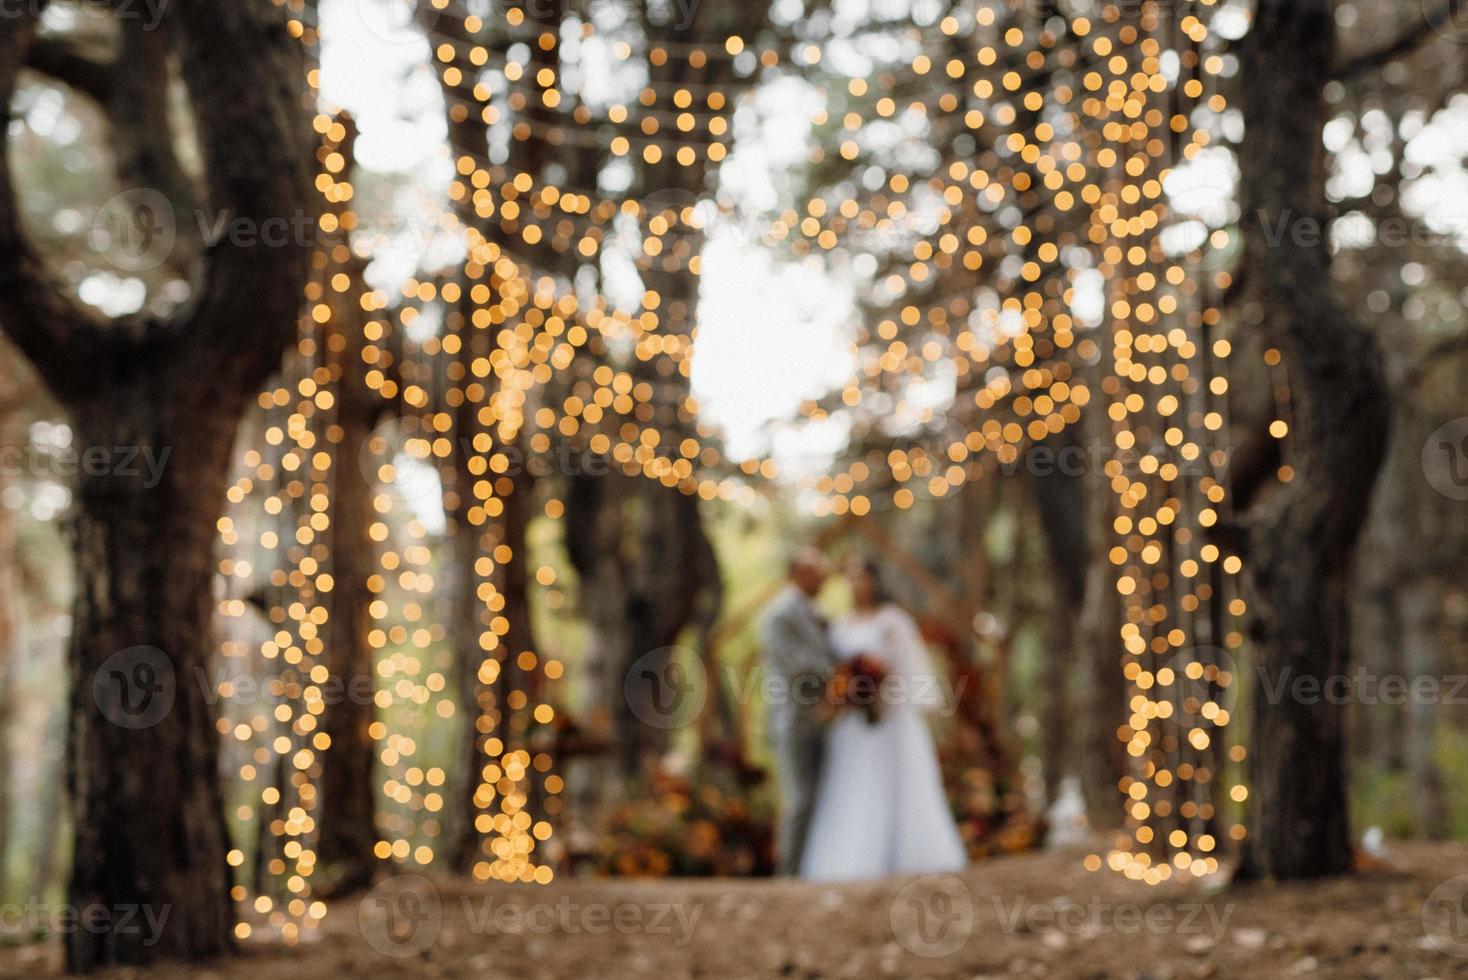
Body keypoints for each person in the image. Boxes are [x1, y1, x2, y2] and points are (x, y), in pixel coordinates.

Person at [798, 554, 968, 881]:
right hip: (852, 725)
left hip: (889, 719)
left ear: (875, 580)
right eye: (849, 576)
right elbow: (834, 672)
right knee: (852, 787)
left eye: (860, 576)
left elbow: (906, 668)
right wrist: (844, 695)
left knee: (895, 784)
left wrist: (878, 690)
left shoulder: (892, 620)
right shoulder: (840, 624)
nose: (854, 583)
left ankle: (906, 855)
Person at [759, 546, 838, 876]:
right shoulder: (780, 614)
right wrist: (843, 673)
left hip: (821, 720)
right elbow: (796, 667)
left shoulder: (813, 612)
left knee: (820, 797)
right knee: (801, 799)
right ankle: (789, 875)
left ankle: (812, 869)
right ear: (796, 573)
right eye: (815, 570)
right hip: (794, 719)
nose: (823, 577)